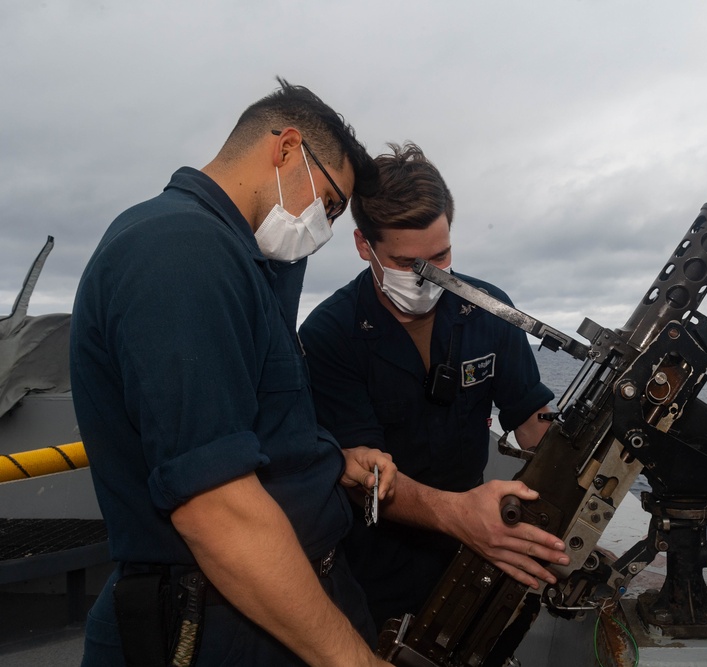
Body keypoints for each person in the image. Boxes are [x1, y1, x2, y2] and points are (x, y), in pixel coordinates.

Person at [70, 78, 397, 667]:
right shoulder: (179, 252)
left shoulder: (242, 259)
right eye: (328, 204)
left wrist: (326, 458)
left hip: (275, 606)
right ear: (287, 148)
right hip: (219, 627)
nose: (321, 227)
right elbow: (214, 508)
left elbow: (251, 418)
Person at [298, 142, 569, 630]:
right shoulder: (328, 336)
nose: (427, 276)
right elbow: (364, 480)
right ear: (364, 247)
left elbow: (532, 419)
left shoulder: (491, 309)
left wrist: (588, 446)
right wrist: (461, 515)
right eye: (406, 263)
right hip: (371, 565)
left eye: (440, 255)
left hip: (475, 550)